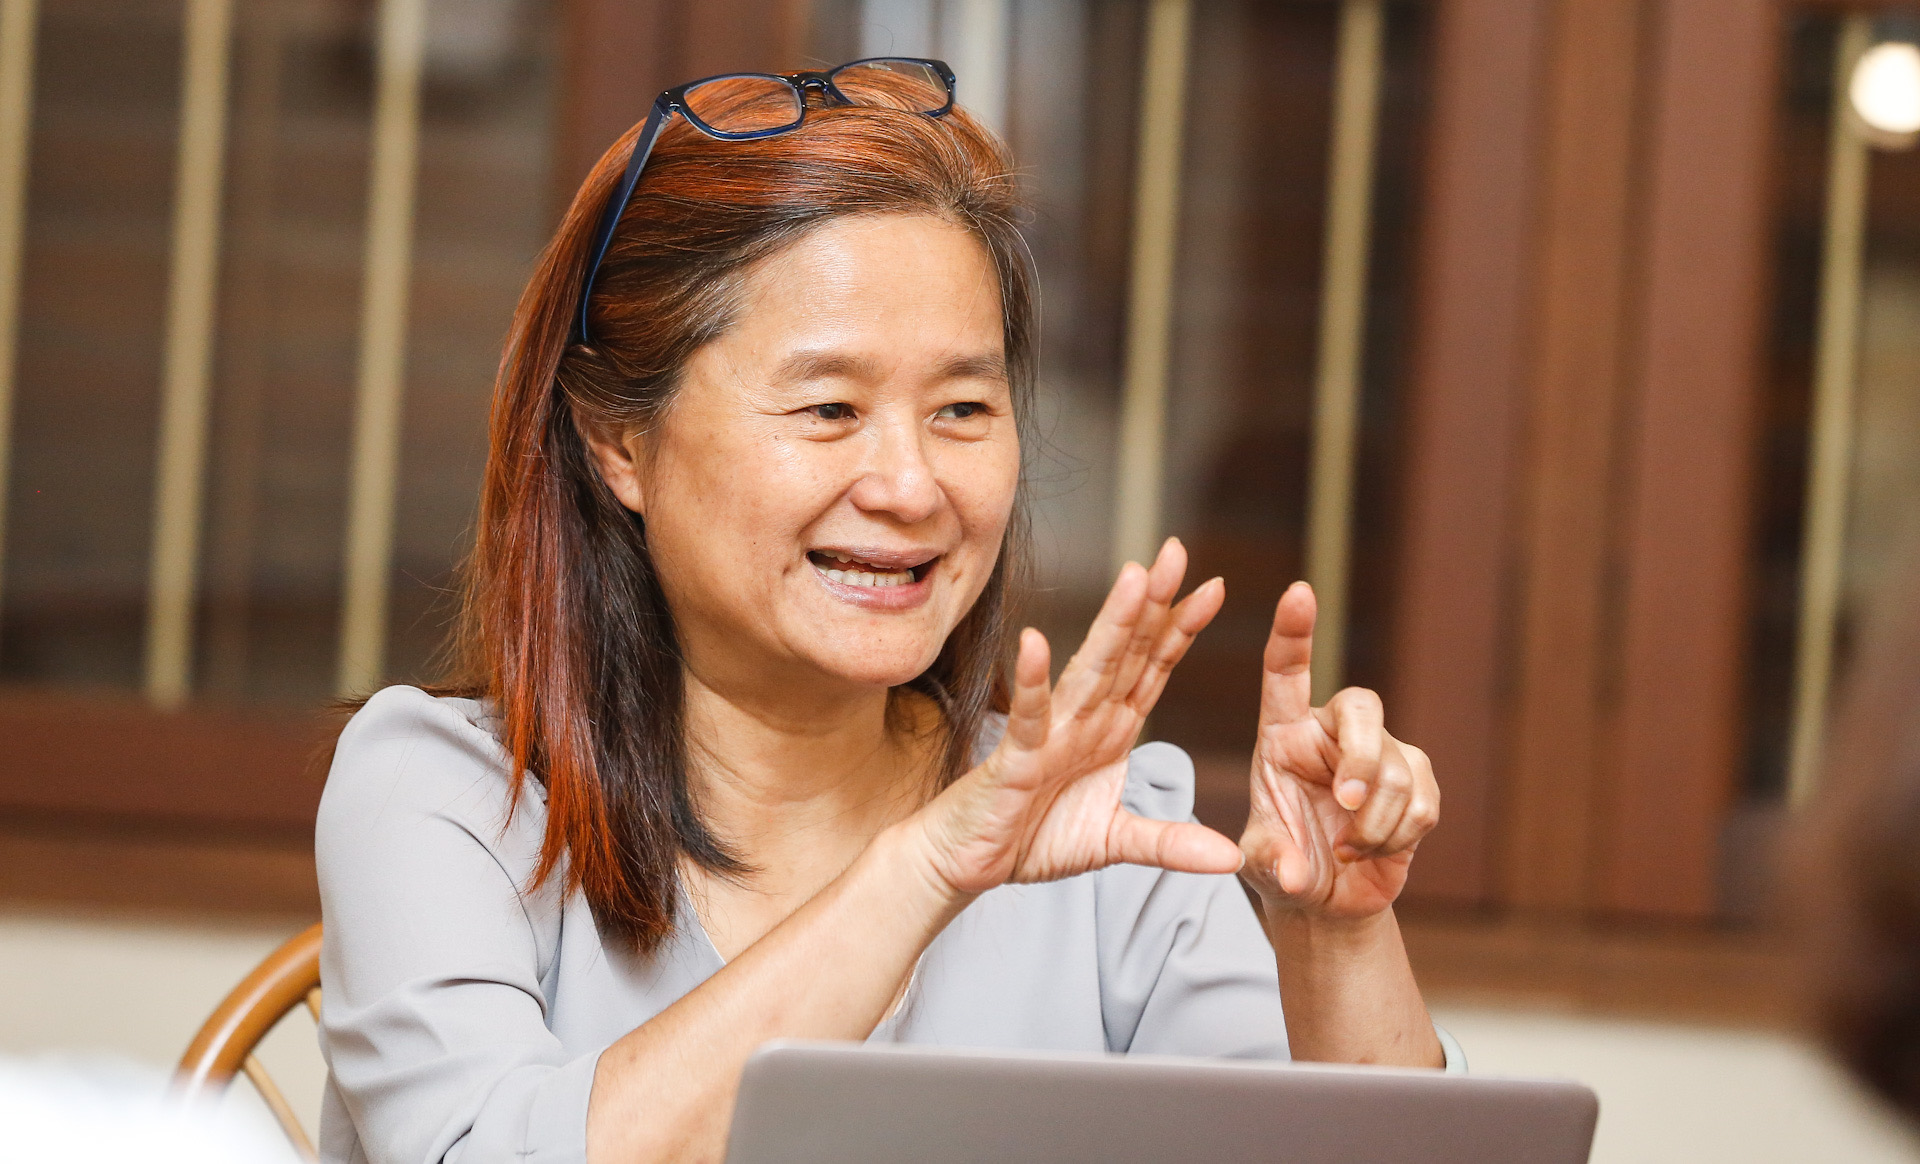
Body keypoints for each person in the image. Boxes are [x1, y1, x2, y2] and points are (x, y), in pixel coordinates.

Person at [315, 59, 1451, 1164]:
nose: (910, 486)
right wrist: (923, 873)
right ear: (620, 442)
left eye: (962, 407)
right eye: (828, 407)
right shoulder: (453, 799)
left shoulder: (1109, 834)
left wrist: (1334, 928)